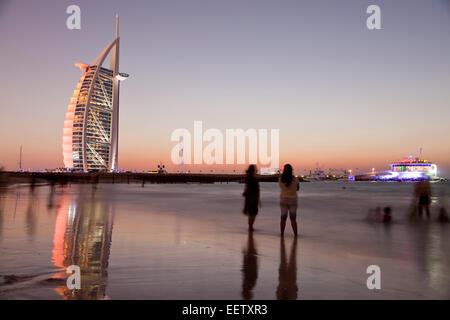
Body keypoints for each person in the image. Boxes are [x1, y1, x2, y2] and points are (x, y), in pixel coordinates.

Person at [279, 164, 299, 237]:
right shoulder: (295, 179)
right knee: (293, 219)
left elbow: (281, 187)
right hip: (293, 200)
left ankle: (282, 234)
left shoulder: (281, 179)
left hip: (283, 200)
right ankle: (295, 235)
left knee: (283, 218)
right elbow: (297, 188)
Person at [243, 165, 260, 232]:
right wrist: (258, 199)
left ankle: (250, 227)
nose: (256, 171)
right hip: (252, 198)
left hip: (249, 198)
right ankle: (250, 227)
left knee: (251, 214)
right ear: (253, 171)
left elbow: (247, 188)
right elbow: (254, 190)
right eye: (255, 170)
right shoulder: (252, 179)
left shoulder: (248, 178)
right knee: (252, 214)